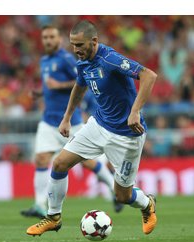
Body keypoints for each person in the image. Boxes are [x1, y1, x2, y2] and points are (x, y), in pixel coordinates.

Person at [26, 20, 158, 237]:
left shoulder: (109, 59)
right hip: (98, 125)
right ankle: (53, 217)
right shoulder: (82, 61)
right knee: (59, 163)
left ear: (94, 41)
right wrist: (67, 117)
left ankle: (147, 204)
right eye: (72, 44)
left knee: (122, 196)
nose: (76, 50)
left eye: (80, 45)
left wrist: (135, 111)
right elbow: (79, 85)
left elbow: (149, 75)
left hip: (127, 136)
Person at [21, 25, 123, 219]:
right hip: (48, 121)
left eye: (51, 37)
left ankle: (114, 190)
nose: (48, 41)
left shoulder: (68, 59)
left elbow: (80, 82)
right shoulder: (44, 61)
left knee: (87, 162)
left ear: (59, 39)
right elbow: (50, 86)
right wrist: (41, 92)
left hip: (70, 122)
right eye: (45, 38)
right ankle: (39, 205)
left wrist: (59, 86)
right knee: (41, 159)